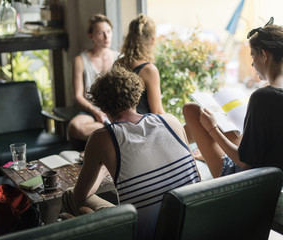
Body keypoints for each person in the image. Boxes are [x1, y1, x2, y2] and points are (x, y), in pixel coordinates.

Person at [61, 65, 200, 240]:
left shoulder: (102, 138)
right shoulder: (171, 121)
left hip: (141, 235)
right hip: (192, 227)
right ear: (136, 95)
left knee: (69, 195)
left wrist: (104, 168)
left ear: (102, 106)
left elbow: (82, 194)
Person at [183, 17, 283, 189]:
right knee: (231, 129)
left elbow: (245, 163)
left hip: (253, 183)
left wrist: (212, 128)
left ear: (264, 55)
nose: (252, 63)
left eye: (252, 56)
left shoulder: (263, 96)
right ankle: (205, 153)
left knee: (191, 110)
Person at [68, 14, 119, 143]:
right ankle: (116, 131)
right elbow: (78, 97)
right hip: (91, 111)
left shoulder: (120, 58)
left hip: (115, 110)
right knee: (74, 127)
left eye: (108, 31)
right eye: (100, 33)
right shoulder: (80, 60)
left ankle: (112, 130)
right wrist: (96, 112)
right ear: (91, 36)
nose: (107, 37)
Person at [115, 14, 165, 114]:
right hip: (143, 126)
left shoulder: (118, 63)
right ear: (152, 40)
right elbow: (157, 112)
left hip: (120, 125)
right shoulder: (149, 70)